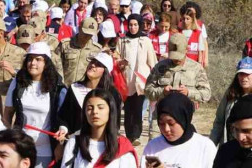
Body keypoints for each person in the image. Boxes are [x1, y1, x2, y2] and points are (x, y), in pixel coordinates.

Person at [3, 42, 67, 168]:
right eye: (30, 59)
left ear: (46, 63)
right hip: (20, 147)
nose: (33, 63)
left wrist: (60, 144)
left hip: (44, 150)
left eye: (38, 59)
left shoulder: (57, 88)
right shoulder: (17, 83)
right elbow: (7, 114)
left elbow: (64, 119)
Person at [57, 53, 122, 135]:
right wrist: (63, 129)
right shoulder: (74, 88)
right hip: (76, 140)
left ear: (105, 71)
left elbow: (115, 121)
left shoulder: (112, 93)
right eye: (92, 62)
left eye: (98, 65)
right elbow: (64, 115)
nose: (93, 65)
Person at [118, 13, 158, 146]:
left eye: (135, 25)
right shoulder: (122, 40)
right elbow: (117, 58)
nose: (133, 27)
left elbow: (152, 61)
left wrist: (155, 77)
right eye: (130, 25)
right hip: (126, 79)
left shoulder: (145, 40)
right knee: (128, 108)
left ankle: (136, 135)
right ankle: (129, 134)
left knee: (138, 107)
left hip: (140, 80)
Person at [145, 34, 211, 104]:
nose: (176, 59)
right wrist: (163, 92)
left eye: (179, 56)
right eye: (173, 56)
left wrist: (188, 92)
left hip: (185, 113)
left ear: (187, 50)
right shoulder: (160, 67)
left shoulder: (196, 68)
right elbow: (147, 91)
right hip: (163, 113)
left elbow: (206, 94)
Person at [210, 57, 252, 146]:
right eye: (241, 74)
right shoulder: (231, 93)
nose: (244, 78)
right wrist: (211, 145)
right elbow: (219, 121)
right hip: (229, 147)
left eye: (247, 74)